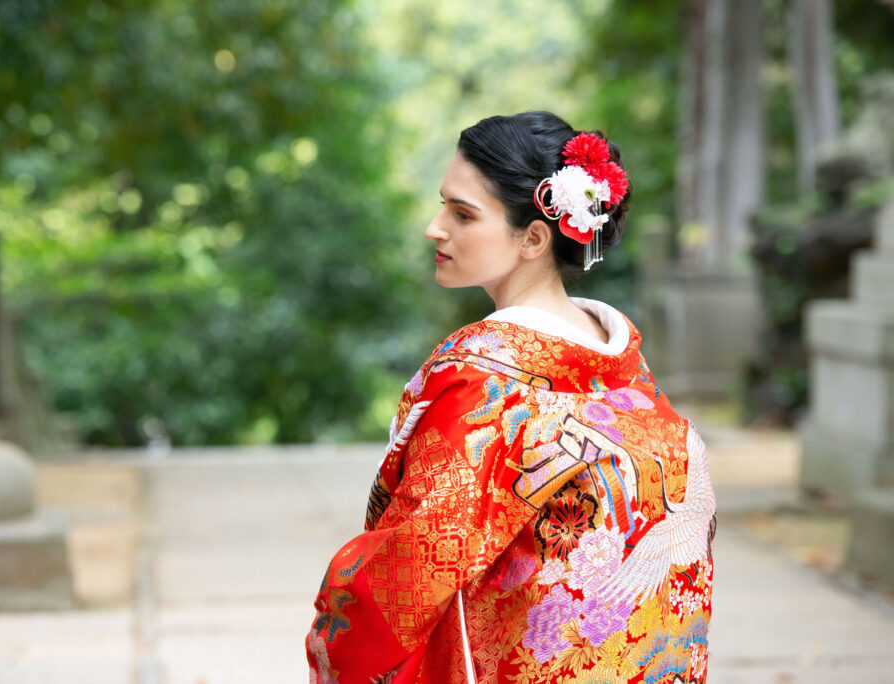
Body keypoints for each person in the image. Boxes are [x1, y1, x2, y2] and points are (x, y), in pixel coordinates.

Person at [306, 111, 715, 683]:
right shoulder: (622, 366)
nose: (435, 227)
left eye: (462, 213)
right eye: (443, 204)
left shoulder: (484, 381)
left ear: (534, 237)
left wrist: (339, 642)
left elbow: (411, 569)